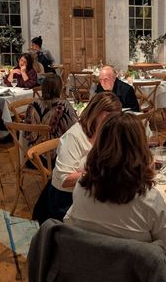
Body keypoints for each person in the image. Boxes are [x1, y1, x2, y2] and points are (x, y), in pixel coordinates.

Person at [64, 112, 166, 270]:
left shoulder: (81, 189)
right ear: (140, 148)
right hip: (136, 279)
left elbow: (70, 226)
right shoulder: (150, 200)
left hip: (89, 273)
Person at [48, 92, 122, 221]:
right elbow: (65, 179)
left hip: (91, 193)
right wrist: (97, 174)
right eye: (112, 118)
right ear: (99, 114)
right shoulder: (74, 136)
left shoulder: (104, 132)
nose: (115, 123)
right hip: (66, 200)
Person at [24, 74, 78, 147]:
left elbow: (26, 132)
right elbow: (75, 129)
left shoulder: (32, 105)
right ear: (59, 89)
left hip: (33, 150)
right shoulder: (64, 106)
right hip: (56, 149)